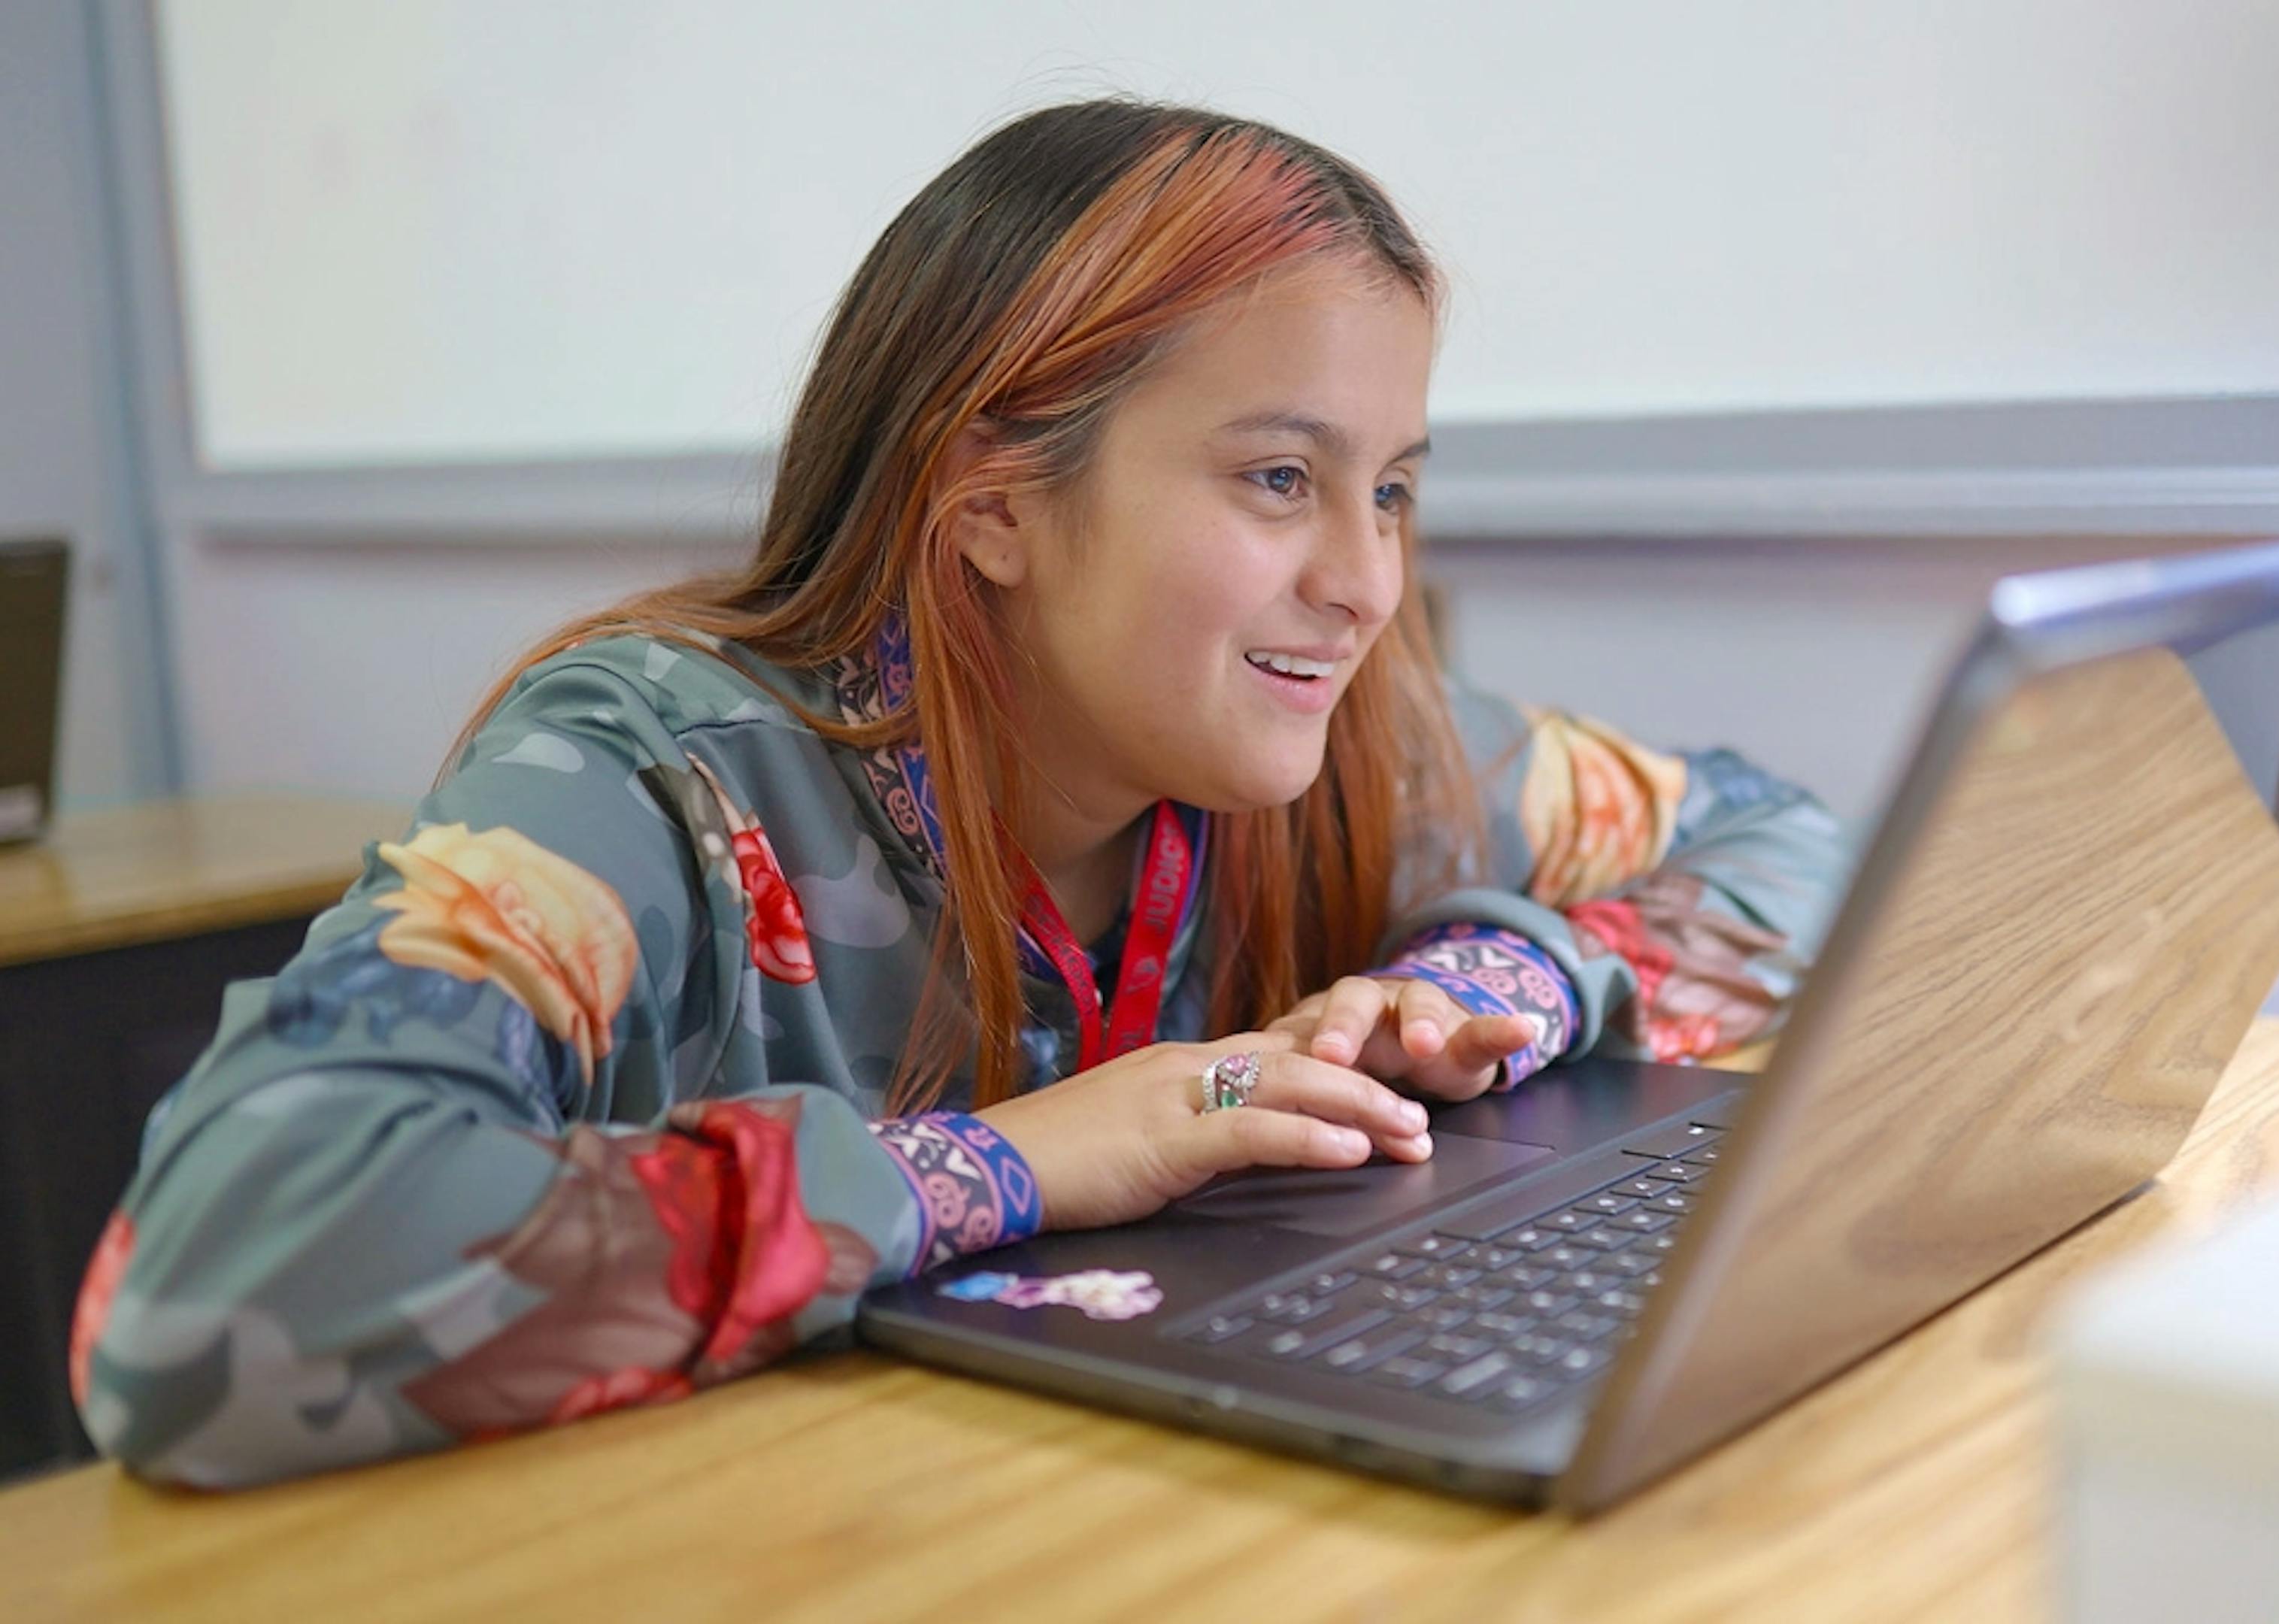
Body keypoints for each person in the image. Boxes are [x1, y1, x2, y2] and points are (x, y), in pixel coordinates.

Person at [67, 99, 1847, 1487]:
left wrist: (1494, 980)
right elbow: (211, 1283)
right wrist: (985, 1170)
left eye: (1388, 489)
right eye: (1280, 477)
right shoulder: (647, 785)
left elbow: (1803, 848)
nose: (1365, 583)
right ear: (991, 502)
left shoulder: (1351, 753)